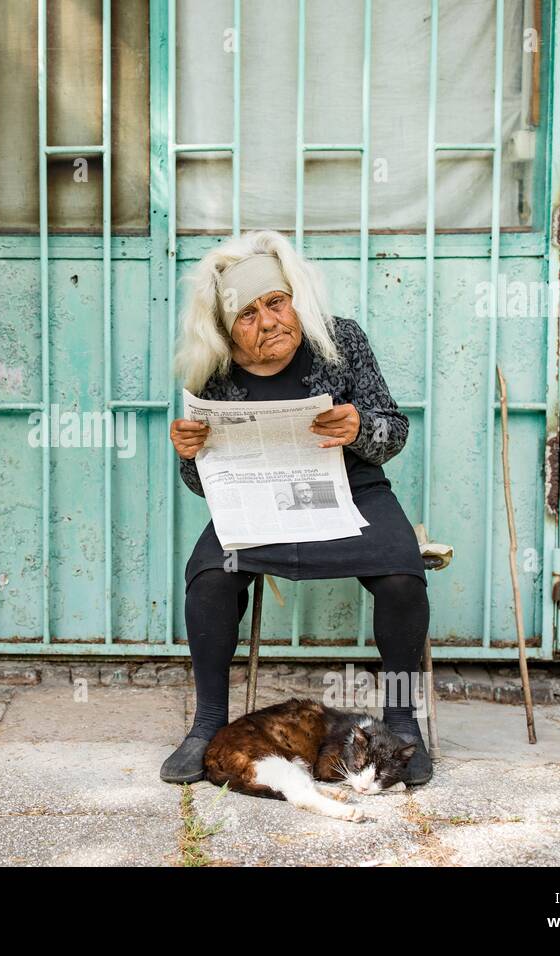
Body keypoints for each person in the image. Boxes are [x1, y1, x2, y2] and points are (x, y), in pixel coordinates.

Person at [162, 229, 432, 787]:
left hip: (352, 488)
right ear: (226, 327)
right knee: (210, 577)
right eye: (248, 315)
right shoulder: (213, 369)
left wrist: (359, 427)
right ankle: (207, 721)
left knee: (403, 575)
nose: (268, 323)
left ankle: (403, 722)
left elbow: (394, 431)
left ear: (292, 299)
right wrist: (190, 456)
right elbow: (202, 483)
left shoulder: (342, 341)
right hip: (259, 499)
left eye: (276, 303)